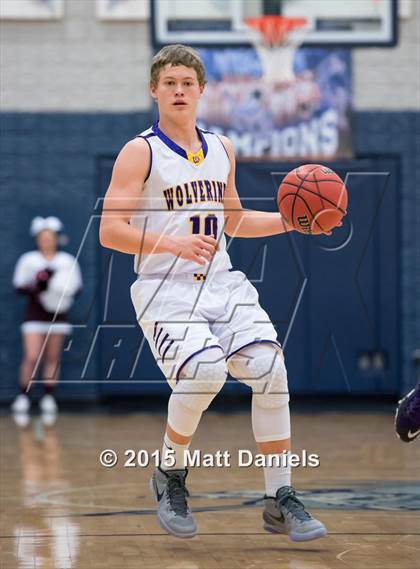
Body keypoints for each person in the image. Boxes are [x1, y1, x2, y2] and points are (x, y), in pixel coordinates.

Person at [100, 44, 338, 541]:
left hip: (222, 283)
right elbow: (109, 230)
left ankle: (279, 496)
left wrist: (295, 221)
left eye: (188, 83)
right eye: (170, 83)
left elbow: (236, 220)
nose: (180, 91)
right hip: (164, 288)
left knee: (271, 368)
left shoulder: (222, 148)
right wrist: (172, 241)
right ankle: (169, 473)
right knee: (205, 372)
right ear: (154, 90)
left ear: (202, 91)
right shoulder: (140, 151)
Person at [11, 216, 82, 418]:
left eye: (50, 237)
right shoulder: (28, 260)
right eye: (43, 237)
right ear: (37, 239)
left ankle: (49, 396)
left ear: (56, 238)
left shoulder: (66, 261)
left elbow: (76, 288)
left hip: (58, 317)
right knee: (32, 356)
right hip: (34, 315)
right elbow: (19, 286)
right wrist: (38, 285)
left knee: (53, 357)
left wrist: (58, 290)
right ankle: (24, 396)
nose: (46, 240)